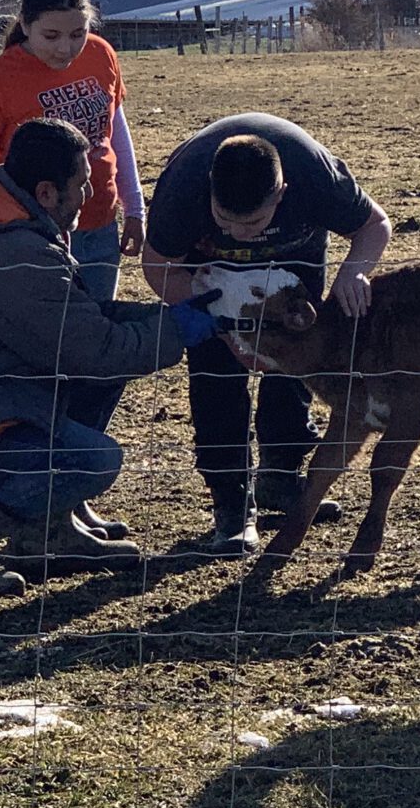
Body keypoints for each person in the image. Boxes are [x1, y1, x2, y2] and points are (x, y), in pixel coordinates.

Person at [0, 118, 222, 600]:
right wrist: (181, 328)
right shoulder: (16, 255)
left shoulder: (12, 224)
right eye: (81, 184)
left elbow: (80, 326)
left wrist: (157, 319)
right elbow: (94, 351)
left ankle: (47, 535)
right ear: (45, 192)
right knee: (91, 460)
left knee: (102, 375)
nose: (91, 195)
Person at [142, 114, 392, 556]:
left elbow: (374, 226)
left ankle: (281, 474)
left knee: (297, 360)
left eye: (254, 223)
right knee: (215, 377)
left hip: (291, 274)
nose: (238, 233)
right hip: (211, 283)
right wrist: (221, 329)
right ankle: (232, 507)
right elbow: (157, 263)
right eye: (224, 218)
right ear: (211, 194)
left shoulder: (314, 173)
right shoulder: (184, 185)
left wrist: (351, 278)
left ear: (282, 194)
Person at [0, 0, 143, 306]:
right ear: (25, 26)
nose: (65, 48)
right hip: (29, 237)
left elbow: (116, 137)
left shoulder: (101, 56)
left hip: (99, 224)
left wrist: (134, 208)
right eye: (51, 36)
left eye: (78, 33)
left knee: (94, 335)